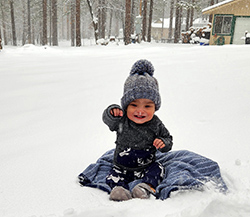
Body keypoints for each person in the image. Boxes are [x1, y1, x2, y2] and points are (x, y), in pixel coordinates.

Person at [102, 59, 173, 201]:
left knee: (158, 169)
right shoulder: (122, 120)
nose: (140, 111)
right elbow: (108, 120)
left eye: (147, 106)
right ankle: (119, 190)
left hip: (146, 166)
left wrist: (163, 143)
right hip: (121, 166)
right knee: (113, 174)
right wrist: (112, 112)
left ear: (155, 107)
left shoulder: (155, 123)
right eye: (134, 105)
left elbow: (168, 139)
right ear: (126, 106)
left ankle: (144, 187)